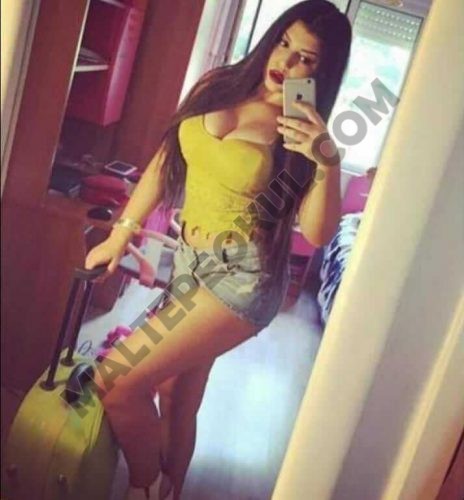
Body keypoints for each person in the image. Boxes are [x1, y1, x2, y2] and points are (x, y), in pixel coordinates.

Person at [84, 1, 352, 498]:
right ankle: (169, 490)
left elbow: (317, 233)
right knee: (176, 395)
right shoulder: (217, 85)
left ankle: (144, 488)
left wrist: (327, 162)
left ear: (322, 72)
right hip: (190, 263)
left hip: (242, 278)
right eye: (284, 43)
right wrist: (121, 232)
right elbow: (165, 161)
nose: (287, 62)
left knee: (115, 381)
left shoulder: (299, 132)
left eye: (307, 59)